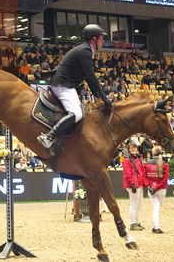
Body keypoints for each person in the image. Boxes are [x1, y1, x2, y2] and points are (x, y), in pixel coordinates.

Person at [37, 24, 112, 155]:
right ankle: (48, 136)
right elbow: (90, 77)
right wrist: (103, 97)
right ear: (94, 38)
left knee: (80, 111)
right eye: (101, 38)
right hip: (63, 85)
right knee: (76, 114)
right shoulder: (85, 51)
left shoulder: (85, 49)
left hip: (64, 83)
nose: (103, 41)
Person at [144, 146, 170, 234]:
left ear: (152, 153)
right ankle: (157, 227)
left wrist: (149, 187)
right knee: (157, 207)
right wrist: (156, 188)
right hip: (161, 189)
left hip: (151, 189)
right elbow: (165, 178)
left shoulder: (147, 163)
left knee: (156, 207)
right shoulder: (165, 164)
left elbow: (144, 177)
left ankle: (154, 226)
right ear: (161, 153)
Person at [122, 141, 146, 231]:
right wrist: (132, 184)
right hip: (132, 184)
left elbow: (142, 170)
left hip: (139, 184)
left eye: (134, 147)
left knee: (139, 204)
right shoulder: (126, 160)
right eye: (131, 148)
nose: (133, 149)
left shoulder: (139, 158)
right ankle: (132, 223)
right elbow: (127, 173)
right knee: (134, 204)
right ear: (128, 150)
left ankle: (137, 221)